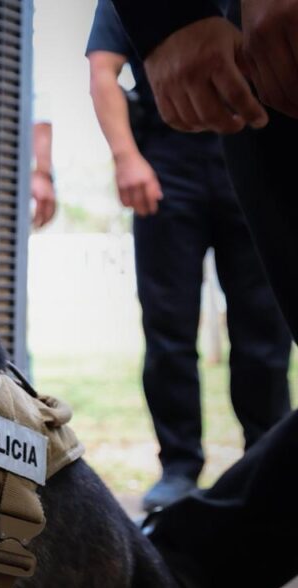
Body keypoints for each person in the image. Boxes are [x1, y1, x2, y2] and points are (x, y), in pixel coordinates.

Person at [111, 0, 298, 588]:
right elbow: (105, 69)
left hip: (241, 121)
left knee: (262, 342)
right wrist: (168, 13)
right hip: (264, 81)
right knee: (169, 330)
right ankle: (183, 500)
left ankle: (189, 558)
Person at [85, 0, 291, 513]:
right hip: (168, 156)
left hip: (258, 136)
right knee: (168, 325)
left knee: (265, 327)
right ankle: (179, 465)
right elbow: (102, 69)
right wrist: (127, 157)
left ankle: (267, 462)